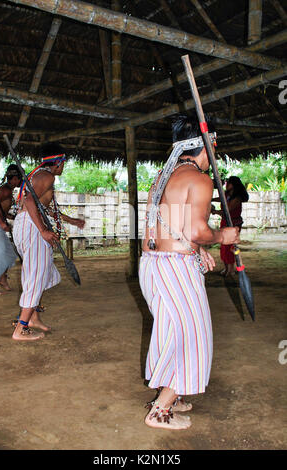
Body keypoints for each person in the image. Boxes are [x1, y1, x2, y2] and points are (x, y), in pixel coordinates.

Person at [139, 114, 240, 430]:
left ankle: (171, 392)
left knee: (171, 332)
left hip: (152, 265)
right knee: (191, 336)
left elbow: (170, 226)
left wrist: (199, 249)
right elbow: (196, 229)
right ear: (206, 144)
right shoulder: (199, 179)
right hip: (174, 269)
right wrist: (222, 236)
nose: (216, 149)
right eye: (215, 143)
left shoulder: (164, 177)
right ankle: (160, 411)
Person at [12, 143, 85, 342]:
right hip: (32, 226)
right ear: (58, 162)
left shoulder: (39, 175)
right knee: (36, 274)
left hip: (26, 225)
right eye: (64, 163)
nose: (64, 167)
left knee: (42, 273)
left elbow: (45, 208)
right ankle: (21, 328)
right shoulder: (46, 176)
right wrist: (43, 230)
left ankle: (33, 317)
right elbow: (29, 202)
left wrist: (71, 221)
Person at [0, 164, 22, 295]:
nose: (20, 181)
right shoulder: (5, 189)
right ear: (13, 179)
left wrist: (11, 216)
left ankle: (2, 279)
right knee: (0, 254)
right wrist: (2, 223)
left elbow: (2, 209)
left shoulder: (8, 190)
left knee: (9, 254)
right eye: (19, 179)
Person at [211, 176, 249, 277]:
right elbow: (220, 199)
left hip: (233, 224)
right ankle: (226, 268)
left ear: (233, 185)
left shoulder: (237, 198)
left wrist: (214, 211)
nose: (226, 184)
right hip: (225, 223)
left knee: (230, 247)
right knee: (223, 246)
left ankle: (231, 269)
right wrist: (210, 199)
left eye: (228, 183)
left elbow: (227, 211)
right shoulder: (227, 194)